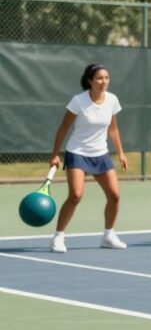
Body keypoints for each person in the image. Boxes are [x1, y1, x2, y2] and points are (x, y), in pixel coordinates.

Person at [48, 64, 129, 253]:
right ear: (90, 81)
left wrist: (121, 153)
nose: (104, 82)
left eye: (106, 78)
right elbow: (63, 128)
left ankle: (108, 235)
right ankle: (58, 237)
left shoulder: (112, 100)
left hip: (101, 153)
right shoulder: (78, 101)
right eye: (100, 78)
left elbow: (113, 129)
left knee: (115, 196)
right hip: (77, 152)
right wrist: (55, 155)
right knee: (76, 195)